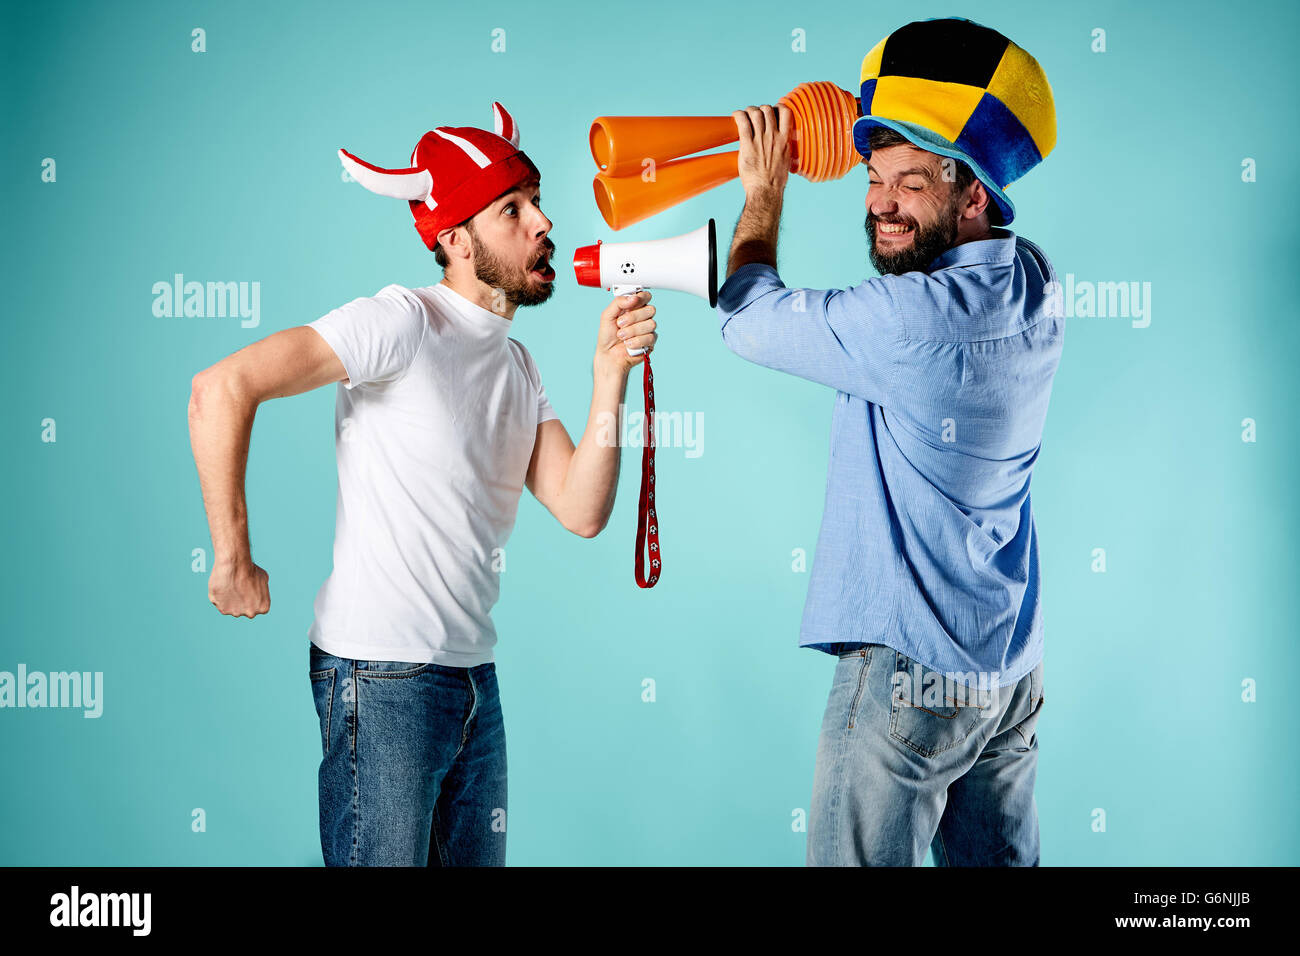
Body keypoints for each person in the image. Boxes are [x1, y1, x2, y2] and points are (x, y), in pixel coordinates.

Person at [187, 102, 657, 866]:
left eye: (536, 200)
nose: (543, 223)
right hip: (381, 678)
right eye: (513, 209)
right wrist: (231, 555)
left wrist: (608, 377)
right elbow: (221, 388)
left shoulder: (517, 364)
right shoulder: (401, 322)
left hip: (474, 682)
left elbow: (579, 508)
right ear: (454, 238)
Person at [716, 18, 1062, 866]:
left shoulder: (909, 323)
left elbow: (746, 320)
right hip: (1007, 672)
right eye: (875, 177)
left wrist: (764, 191)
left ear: (974, 192)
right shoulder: (1033, 282)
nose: (878, 203)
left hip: (911, 671)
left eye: (910, 181)